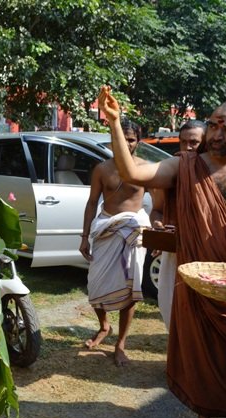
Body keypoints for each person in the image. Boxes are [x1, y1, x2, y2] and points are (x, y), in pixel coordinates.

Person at [98, 85, 226, 418]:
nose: (216, 134)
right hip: (199, 281)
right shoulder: (183, 166)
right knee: (201, 353)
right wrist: (114, 122)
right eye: (213, 125)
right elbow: (132, 173)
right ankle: (204, 415)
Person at [79, 117, 150, 367]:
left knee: (131, 290)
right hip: (106, 230)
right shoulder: (101, 169)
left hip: (132, 233)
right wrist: (85, 236)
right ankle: (104, 327)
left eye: (131, 139)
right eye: (122, 138)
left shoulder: (145, 168)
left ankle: (121, 344)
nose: (126, 143)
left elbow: (163, 201)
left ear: (138, 141)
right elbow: (92, 202)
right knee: (95, 285)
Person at [149, 119, 206, 330]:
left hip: (207, 253)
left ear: (206, 143)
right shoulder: (173, 171)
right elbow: (157, 210)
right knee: (169, 304)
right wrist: (158, 225)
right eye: (183, 142)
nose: (188, 148)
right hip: (174, 251)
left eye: (194, 142)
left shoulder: (216, 172)